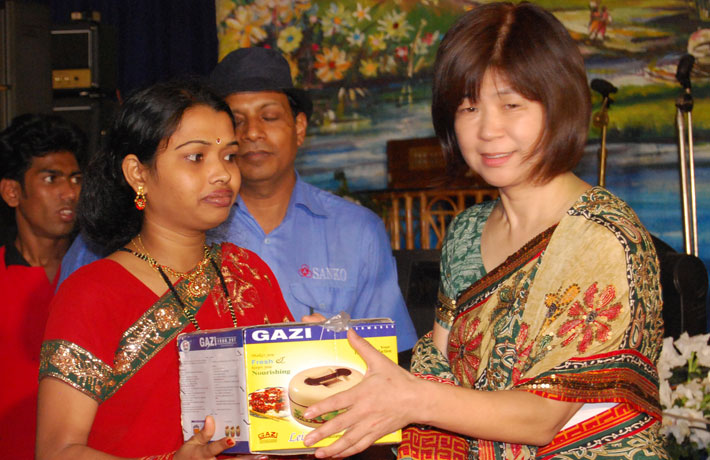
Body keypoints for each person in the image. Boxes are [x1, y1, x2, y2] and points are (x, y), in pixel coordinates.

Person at [300, 3, 668, 459]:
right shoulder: (467, 231)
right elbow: (437, 370)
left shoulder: (603, 238)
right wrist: (352, 351)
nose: (489, 130)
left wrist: (412, 397)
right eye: (469, 107)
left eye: (511, 105)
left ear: (559, 106)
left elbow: (542, 418)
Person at [58, 47, 418, 355]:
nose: (252, 133)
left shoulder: (353, 232)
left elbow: (391, 356)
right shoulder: (133, 235)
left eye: (269, 117)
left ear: (299, 127)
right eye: (236, 121)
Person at [36, 79, 293, 459]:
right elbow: (57, 451)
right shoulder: (91, 292)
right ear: (138, 174)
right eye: (196, 157)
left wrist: (316, 350)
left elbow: (286, 416)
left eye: (229, 156)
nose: (223, 174)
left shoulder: (248, 272)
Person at [0, 114, 85, 459]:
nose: (70, 193)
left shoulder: (99, 275)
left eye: (75, 178)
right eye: (51, 178)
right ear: (12, 192)